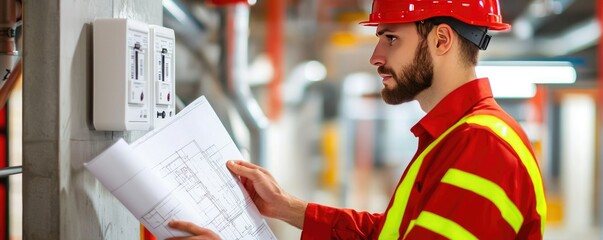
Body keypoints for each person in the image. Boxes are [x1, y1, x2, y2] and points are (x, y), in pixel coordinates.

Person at [168, 0, 547, 239]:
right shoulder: (453, 138)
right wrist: (286, 207)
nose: (376, 56)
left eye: (391, 39)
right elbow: (388, 234)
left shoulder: (482, 147)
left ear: (442, 40)